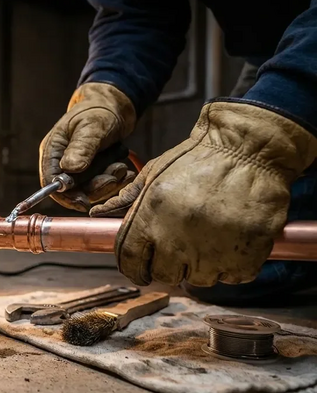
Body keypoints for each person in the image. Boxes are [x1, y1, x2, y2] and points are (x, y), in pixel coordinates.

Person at [40, 0, 317, 306]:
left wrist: (257, 137)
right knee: (212, 255)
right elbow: (138, 11)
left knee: (230, 241)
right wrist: (106, 93)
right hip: (272, 54)